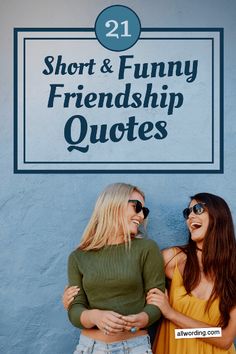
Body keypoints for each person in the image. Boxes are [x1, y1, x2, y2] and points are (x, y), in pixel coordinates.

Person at [66, 182, 165, 353]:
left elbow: (157, 303)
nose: (141, 215)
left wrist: (141, 318)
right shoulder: (78, 256)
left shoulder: (147, 249)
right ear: (113, 205)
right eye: (137, 207)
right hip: (90, 348)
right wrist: (95, 316)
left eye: (144, 211)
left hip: (135, 347)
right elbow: (75, 309)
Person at [147, 192, 236, 354]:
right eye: (188, 213)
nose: (190, 217)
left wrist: (171, 314)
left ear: (219, 216)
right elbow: (129, 280)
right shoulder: (172, 259)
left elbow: (225, 339)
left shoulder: (233, 270)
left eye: (198, 209)